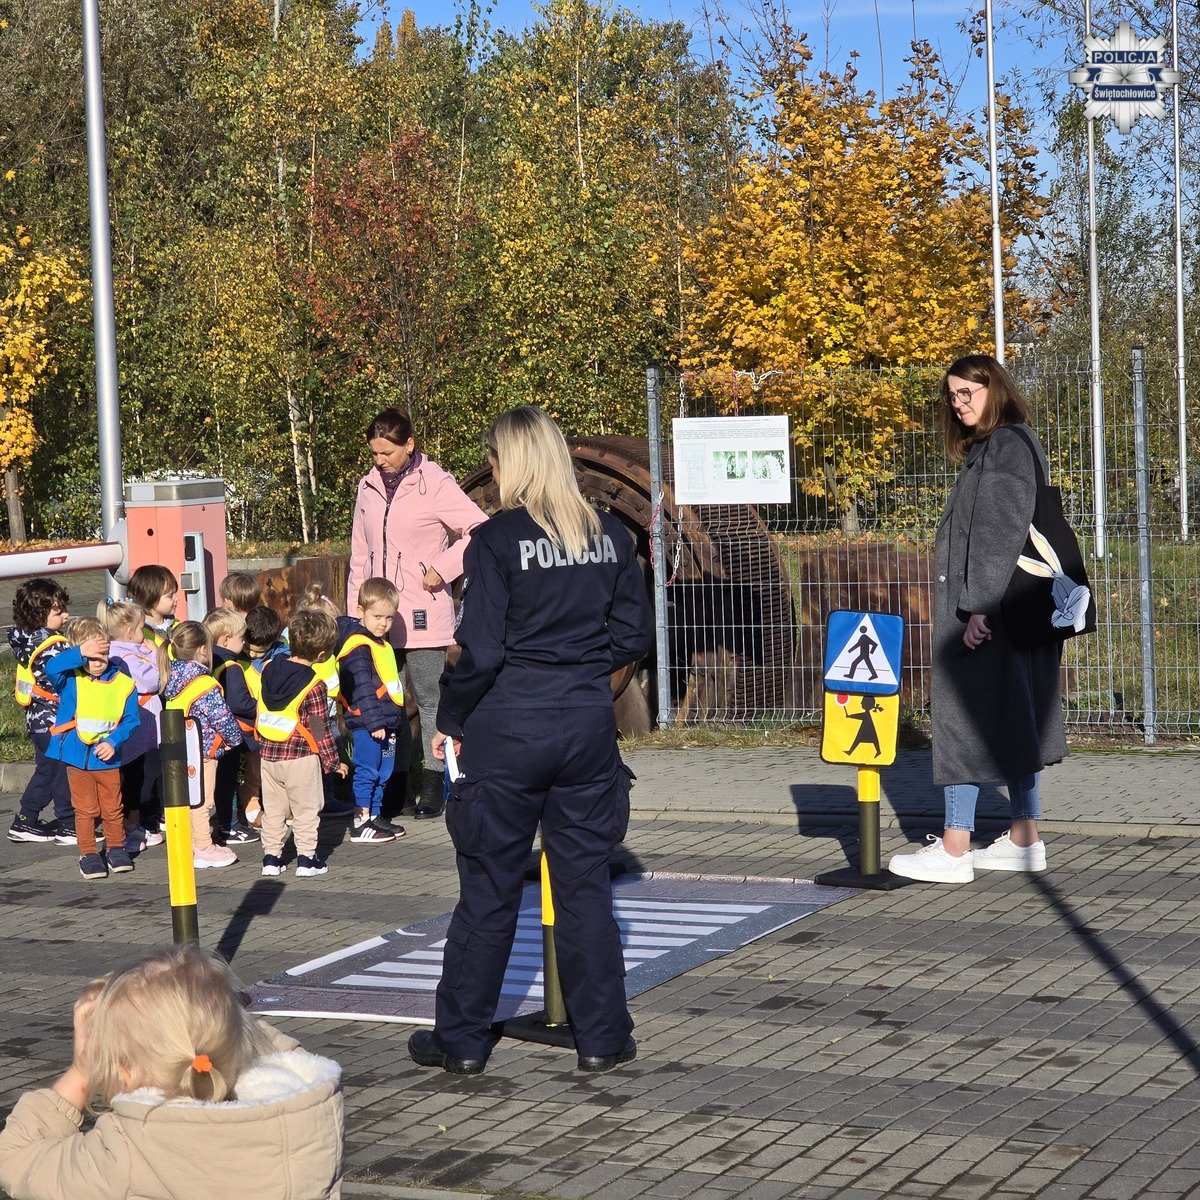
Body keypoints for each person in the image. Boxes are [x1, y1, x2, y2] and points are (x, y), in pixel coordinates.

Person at [407, 405, 653, 1076]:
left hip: (507, 732)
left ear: (509, 462)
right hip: (584, 730)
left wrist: (450, 719)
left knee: (489, 891)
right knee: (584, 891)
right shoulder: (607, 535)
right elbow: (633, 637)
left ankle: (461, 1042)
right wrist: (576, 666)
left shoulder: (496, 540)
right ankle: (601, 1037)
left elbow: (480, 650)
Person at [888, 354, 1066, 885]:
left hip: (991, 612)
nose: (959, 404)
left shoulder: (1005, 446)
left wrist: (978, 607)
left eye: (969, 393)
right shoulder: (1008, 443)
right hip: (1017, 611)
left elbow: (998, 533)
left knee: (964, 720)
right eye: (953, 395)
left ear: (996, 390)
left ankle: (955, 846)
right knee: (1015, 718)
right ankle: (1023, 838)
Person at [0, 947, 344, 1200]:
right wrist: (211, 1012)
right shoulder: (312, 1113)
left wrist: (81, 1071)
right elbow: (272, 1047)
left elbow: (14, 1159)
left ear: (125, 1068)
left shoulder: (125, 1152)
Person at [346, 407, 487, 820]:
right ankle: (396, 784)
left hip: (422, 612)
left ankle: (433, 783)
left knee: (428, 699)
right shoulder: (367, 487)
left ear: (409, 445)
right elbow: (359, 553)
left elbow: (479, 529)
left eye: (387, 452)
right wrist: (357, 609)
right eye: (374, 453)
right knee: (386, 701)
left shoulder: (437, 484)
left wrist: (442, 569)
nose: (379, 460)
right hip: (375, 617)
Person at [45, 618, 140, 880]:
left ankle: (116, 848)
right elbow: (51, 666)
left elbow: (132, 719)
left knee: (112, 806)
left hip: (107, 757)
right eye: (91, 657)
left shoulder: (123, 683)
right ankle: (88, 853)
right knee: (85, 809)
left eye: (103, 655)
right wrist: (79, 652)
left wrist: (113, 741)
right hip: (77, 757)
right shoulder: (68, 679)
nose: (98, 662)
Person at [256, 609, 348, 878]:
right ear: (321, 656)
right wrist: (333, 762)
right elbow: (319, 728)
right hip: (301, 756)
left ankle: (271, 858)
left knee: (273, 809)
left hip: (269, 753)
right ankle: (307, 860)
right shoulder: (314, 684)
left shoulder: (270, 669)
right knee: (306, 810)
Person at [160, 622, 243, 870]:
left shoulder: (170, 678)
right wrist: (235, 740)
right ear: (202, 650)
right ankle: (204, 847)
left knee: (184, 800)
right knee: (202, 801)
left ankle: (186, 844)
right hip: (204, 751)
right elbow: (222, 717)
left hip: (177, 750)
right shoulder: (203, 685)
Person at [336, 578, 409, 843]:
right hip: (368, 723)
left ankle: (375, 814)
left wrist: (390, 722)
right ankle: (360, 820)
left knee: (384, 770)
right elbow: (363, 689)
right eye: (377, 616)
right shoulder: (358, 647)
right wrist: (374, 722)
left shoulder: (380, 644)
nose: (383, 623)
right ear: (360, 611)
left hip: (386, 722)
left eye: (389, 618)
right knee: (367, 770)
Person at [7, 578, 75, 846]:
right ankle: (69, 825)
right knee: (61, 772)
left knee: (47, 770)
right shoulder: (53, 645)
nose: (66, 615)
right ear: (40, 614)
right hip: (54, 720)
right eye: (59, 612)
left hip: (36, 720)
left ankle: (26, 820)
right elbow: (63, 679)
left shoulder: (25, 640)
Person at [102, 601, 165, 853]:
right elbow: (150, 681)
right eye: (141, 628)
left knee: (143, 773)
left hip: (147, 725)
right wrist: (156, 655)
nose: (144, 634)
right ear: (129, 632)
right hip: (138, 727)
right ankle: (132, 826)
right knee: (137, 777)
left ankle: (137, 824)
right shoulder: (123, 655)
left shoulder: (130, 650)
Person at [204, 607, 260, 845]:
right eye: (241, 637)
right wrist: (259, 705)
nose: (244, 642)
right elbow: (239, 703)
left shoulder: (211, 661)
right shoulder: (232, 666)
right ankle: (231, 826)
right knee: (232, 782)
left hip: (215, 734)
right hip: (234, 733)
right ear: (226, 639)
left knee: (221, 783)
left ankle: (225, 823)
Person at [125, 565, 179, 649]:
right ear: (150, 598)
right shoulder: (141, 634)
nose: (177, 598)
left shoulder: (176, 625)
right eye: (170, 596)